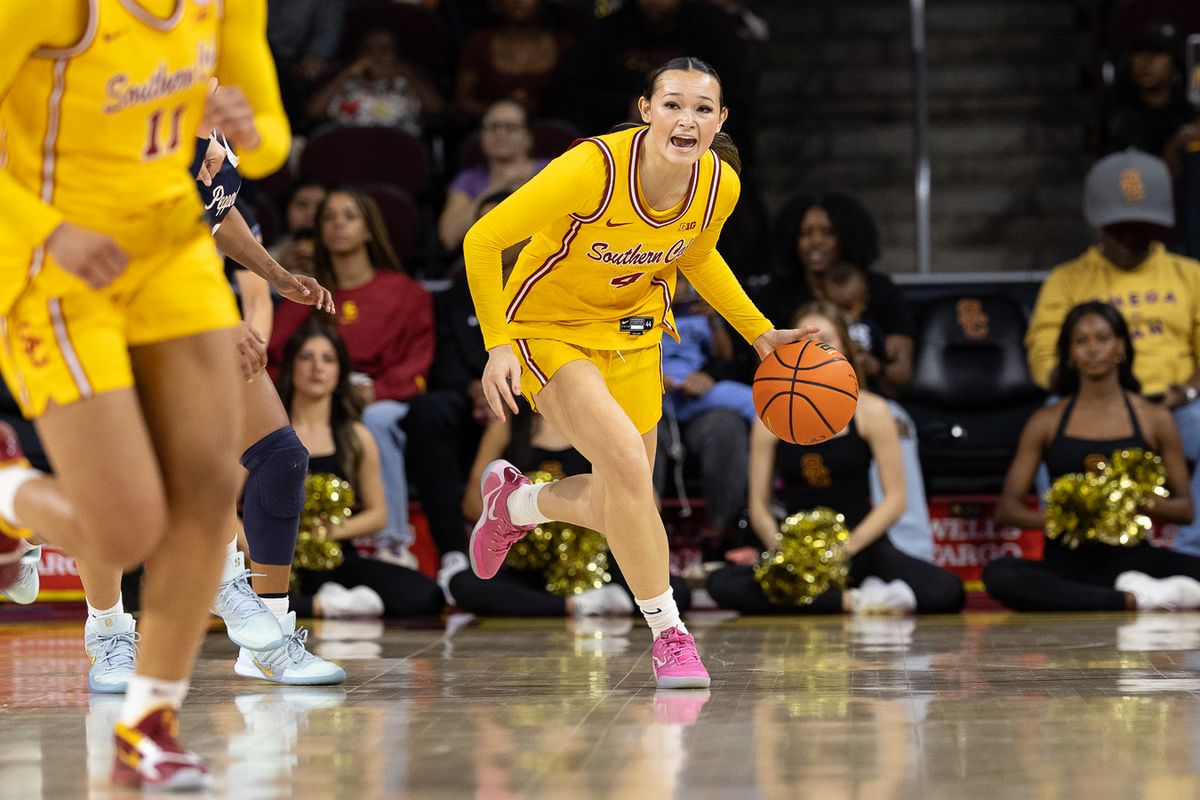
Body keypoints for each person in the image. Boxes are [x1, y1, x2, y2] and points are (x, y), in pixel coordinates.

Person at [0, 0, 289, 789]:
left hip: (171, 255)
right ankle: (9, 492)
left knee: (211, 488)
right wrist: (49, 231)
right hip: (55, 263)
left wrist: (251, 128)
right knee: (124, 533)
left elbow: (268, 140)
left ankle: (148, 723)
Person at [463, 56, 808, 689]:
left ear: (720, 120)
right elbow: (482, 241)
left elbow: (699, 256)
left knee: (625, 499)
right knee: (625, 464)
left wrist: (760, 332)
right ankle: (671, 635)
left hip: (635, 336)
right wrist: (498, 345)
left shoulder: (720, 184)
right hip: (548, 328)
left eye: (702, 109)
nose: (687, 120)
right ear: (646, 111)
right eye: (672, 104)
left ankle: (517, 504)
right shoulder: (590, 169)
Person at [706, 302, 964, 615]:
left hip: (859, 546)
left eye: (825, 340)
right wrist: (786, 554)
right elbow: (759, 505)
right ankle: (856, 601)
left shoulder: (872, 410)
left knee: (946, 591)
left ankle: (830, 597)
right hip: (798, 548)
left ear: (844, 348)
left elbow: (896, 500)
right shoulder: (769, 416)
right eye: (804, 341)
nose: (814, 348)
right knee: (720, 584)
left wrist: (844, 550)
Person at [1025, 150, 1200, 556]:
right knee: (1049, 422)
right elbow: (1043, 350)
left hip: (1173, 407)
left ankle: (1191, 556)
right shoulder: (1067, 279)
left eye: (1141, 227)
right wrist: (1079, 394)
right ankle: (1068, 545)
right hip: (1090, 404)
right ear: (1099, 223)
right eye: (1120, 228)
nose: (1130, 237)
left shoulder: (1190, 275)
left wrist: (1188, 392)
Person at [985, 302, 1200, 611]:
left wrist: (1127, 500)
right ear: (1069, 353)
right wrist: (1072, 517)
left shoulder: (1154, 418)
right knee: (1000, 575)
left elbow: (1185, 510)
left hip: (1133, 559)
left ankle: (1120, 593)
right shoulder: (1046, 421)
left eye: (1103, 338)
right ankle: (1132, 599)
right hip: (1067, 564)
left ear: (1120, 346)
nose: (1093, 349)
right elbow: (1007, 509)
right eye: (1081, 341)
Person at [269, 190, 435, 565]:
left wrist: (377, 391)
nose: (338, 224)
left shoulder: (407, 292)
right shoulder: (306, 293)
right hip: (318, 394)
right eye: (329, 217)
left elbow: (417, 362)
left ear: (369, 229)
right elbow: (274, 355)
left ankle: (391, 541)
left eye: (349, 216)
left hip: (383, 399)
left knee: (375, 420)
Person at [446, 397, 692, 618]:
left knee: (675, 591)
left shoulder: (602, 420)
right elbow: (472, 503)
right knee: (463, 584)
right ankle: (578, 605)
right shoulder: (509, 421)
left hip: (596, 562)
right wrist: (538, 524)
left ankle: (583, 600)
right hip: (529, 563)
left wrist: (584, 521)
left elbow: (646, 503)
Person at [279, 324, 444, 619]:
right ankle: (325, 606)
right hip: (275, 558)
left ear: (340, 371)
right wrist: (259, 545)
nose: (317, 367)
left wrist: (328, 532)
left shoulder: (356, 436)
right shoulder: (268, 434)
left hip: (335, 555)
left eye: (328, 359)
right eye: (306, 357)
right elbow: (227, 509)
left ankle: (316, 602)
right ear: (291, 366)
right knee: (223, 596)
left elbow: (378, 514)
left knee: (425, 595)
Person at [411, 191, 522, 580]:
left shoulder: (550, 285)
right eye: (485, 226)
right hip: (473, 395)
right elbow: (444, 364)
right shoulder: (456, 295)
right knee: (428, 412)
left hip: (536, 395)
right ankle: (452, 552)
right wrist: (479, 390)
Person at [766, 192, 913, 396]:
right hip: (800, 398)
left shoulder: (880, 289)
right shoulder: (778, 292)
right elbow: (765, 370)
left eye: (828, 232)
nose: (815, 241)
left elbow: (901, 378)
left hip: (871, 398)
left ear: (847, 236)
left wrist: (872, 366)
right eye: (805, 233)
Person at [654, 276, 756, 557]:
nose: (679, 288)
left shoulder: (700, 311)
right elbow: (622, 346)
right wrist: (656, 376)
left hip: (697, 395)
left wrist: (713, 320)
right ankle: (646, 529)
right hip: (653, 396)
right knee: (639, 431)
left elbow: (726, 358)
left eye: (683, 281)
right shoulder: (637, 305)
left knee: (742, 414)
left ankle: (723, 530)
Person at [438, 100, 550, 251]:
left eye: (511, 127)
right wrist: (495, 187)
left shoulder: (550, 170)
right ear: (481, 135)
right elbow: (448, 238)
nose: (500, 134)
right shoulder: (468, 179)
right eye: (493, 126)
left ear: (529, 136)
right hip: (484, 259)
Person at [305, 27, 444, 134]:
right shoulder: (346, 84)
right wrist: (346, 74)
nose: (376, 55)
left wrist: (406, 73)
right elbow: (313, 112)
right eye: (368, 50)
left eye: (385, 49)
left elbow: (436, 109)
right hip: (350, 147)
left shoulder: (407, 83)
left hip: (397, 148)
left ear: (397, 54)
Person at [453, 0, 574, 120]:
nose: (518, 1)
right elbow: (461, 102)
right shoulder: (479, 43)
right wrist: (506, 109)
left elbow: (574, 100)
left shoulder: (563, 44)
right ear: (496, 3)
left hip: (551, 126)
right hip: (491, 127)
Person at [269, 179, 327, 263]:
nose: (312, 212)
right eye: (302, 205)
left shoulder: (343, 255)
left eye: (320, 206)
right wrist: (281, 266)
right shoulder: (267, 256)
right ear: (286, 210)